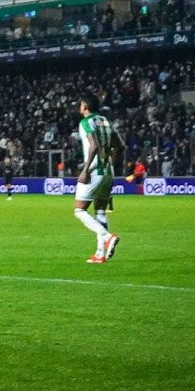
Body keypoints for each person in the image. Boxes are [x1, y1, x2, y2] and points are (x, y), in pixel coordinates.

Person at [74, 93, 124, 264]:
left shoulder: (85, 122)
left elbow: (94, 145)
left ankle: (107, 237)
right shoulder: (106, 121)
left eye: (80, 104)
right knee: (100, 210)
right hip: (108, 170)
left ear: (85, 107)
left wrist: (85, 170)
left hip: (94, 170)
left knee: (79, 210)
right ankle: (100, 253)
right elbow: (120, 146)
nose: (78, 106)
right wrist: (112, 165)